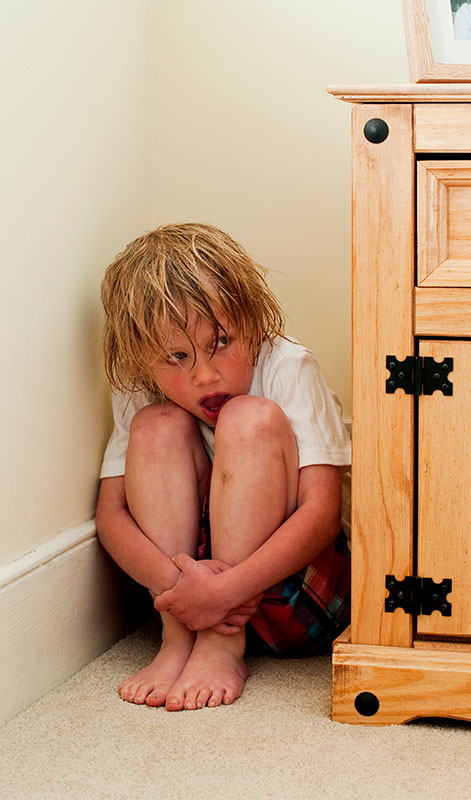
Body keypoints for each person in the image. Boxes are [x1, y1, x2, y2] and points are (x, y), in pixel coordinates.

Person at [96, 222, 351, 712]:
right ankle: (178, 642)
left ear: (254, 324)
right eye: (176, 356)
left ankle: (221, 644)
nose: (204, 375)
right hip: (187, 599)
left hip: (289, 591)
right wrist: (184, 594)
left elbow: (322, 512)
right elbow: (112, 514)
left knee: (248, 418)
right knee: (157, 425)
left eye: (220, 343)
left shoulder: (287, 365)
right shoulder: (141, 383)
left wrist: (227, 591)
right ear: (143, 358)